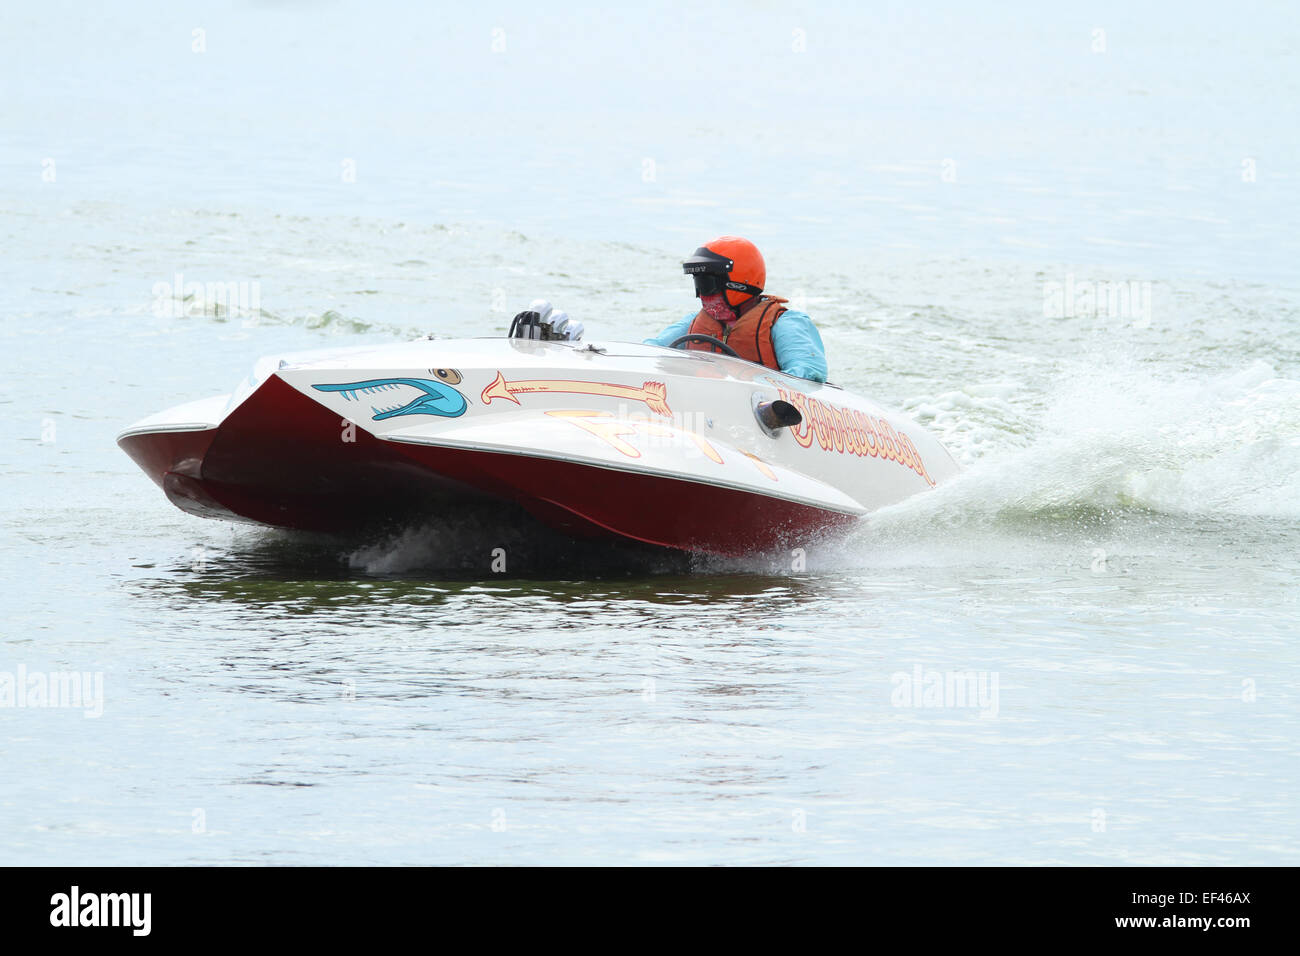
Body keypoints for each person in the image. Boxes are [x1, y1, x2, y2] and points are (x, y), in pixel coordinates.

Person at [643, 236, 827, 382]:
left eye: (707, 284)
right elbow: (652, 351)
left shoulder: (785, 324)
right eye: (698, 284)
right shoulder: (691, 323)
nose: (703, 295)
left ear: (738, 284)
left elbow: (806, 373)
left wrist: (749, 384)